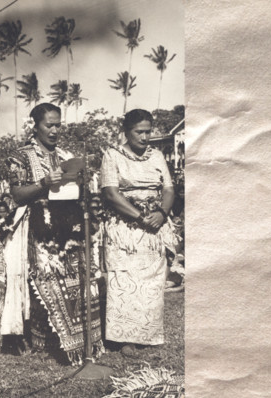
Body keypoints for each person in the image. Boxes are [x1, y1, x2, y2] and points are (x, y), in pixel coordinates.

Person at [2, 102, 104, 365]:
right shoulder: (21, 156)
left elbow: (80, 192)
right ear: (35, 126)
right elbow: (16, 194)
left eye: (58, 124)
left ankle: (80, 342)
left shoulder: (65, 155)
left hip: (69, 228)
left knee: (76, 282)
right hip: (40, 226)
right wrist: (43, 184)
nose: (55, 130)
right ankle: (47, 341)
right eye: (49, 125)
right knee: (46, 281)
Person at [100, 108, 177, 356]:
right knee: (125, 280)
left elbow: (168, 189)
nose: (144, 137)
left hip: (155, 226)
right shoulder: (112, 156)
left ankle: (148, 335)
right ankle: (125, 340)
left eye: (148, 132)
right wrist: (141, 217)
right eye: (139, 132)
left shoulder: (157, 156)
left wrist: (162, 214)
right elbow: (111, 194)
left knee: (151, 282)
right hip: (126, 228)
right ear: (126, 131)